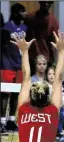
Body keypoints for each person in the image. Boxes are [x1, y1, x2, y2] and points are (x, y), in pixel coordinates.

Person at [10, 30, 64, 142]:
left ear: (30, 96)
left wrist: (24, 51)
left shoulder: (23, 109)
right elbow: (58, 79)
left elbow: (26, 76)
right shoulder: (53, 110)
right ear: (48, 97)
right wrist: (62, 51)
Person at [1, 3, 27, 131]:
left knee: (16, 93)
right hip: (7, 65)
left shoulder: (25, 28)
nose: (25, 14)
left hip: (19, 65)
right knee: (5, 94)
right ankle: (2, 121)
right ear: (16, 13)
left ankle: (11, 119)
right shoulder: (6, 27)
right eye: (23, 11)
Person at [25, 1, 59, 75]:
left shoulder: (53, 21)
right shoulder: (29, 18)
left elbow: (55, 43)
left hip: (46, 60)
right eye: (44, 2)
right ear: (40, 2)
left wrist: (53, 62)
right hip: (31, 59)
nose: (46, 4)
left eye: (49, 2)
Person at [46, 66, 64, 135]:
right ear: (46, 75)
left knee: (63, 115)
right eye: (49, 74)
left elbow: (61, 103)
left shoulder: (60, 87)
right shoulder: (45, 86)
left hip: (60, 111)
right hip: (49, 112)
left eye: (53, 74)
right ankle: (57, 133)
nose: (51, 76)